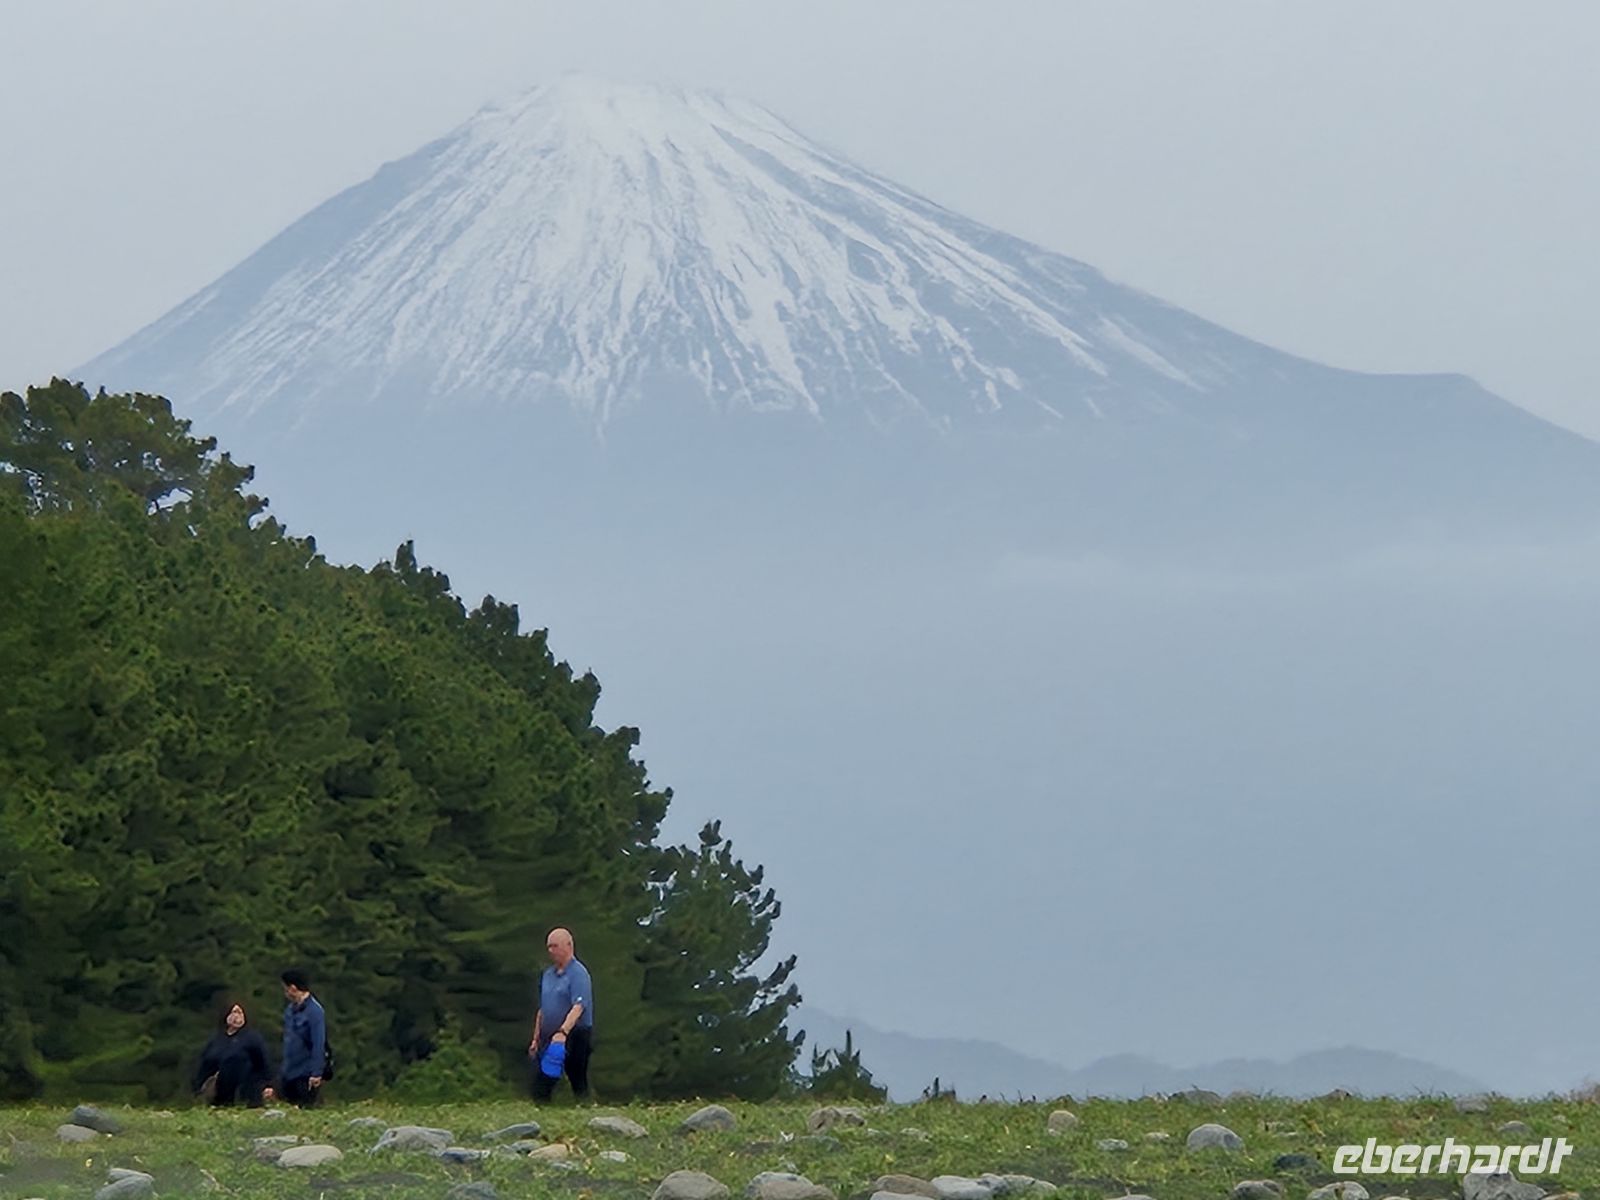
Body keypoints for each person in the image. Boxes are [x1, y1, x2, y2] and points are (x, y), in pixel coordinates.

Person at [528, 926, 593, 1101]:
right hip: (549, 1035)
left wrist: (563, 1032)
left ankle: (585, 1109)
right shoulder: (548, 975)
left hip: (574, 1033)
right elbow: (543, 1009)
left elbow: (579, 1006)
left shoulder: (579, 973)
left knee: (577, 1077)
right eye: (549, 946)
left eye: (555, 946)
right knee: (542, 1081)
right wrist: (536, 1038)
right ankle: (542, 1112)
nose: (551, 951)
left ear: (568, 945)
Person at [192, 1000, 272, 1107]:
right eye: (234, 1012)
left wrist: (267, 1085)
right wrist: (199, 1087)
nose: (237, 1016)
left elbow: (263, 1063)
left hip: (247, 1091)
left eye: (240, 1013)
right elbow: (206, 1064)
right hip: (220, 1093)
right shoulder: (216, 1039)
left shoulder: (252, 1038)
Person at [275, 968, 327, 1108]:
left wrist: (316, 1072)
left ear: (292, 988)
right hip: (289, 1071)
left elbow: (318, 1043)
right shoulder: (290, 1010)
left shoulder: (315, 1011)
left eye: (285, 988)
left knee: (306, 1109)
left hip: (305, 1073)